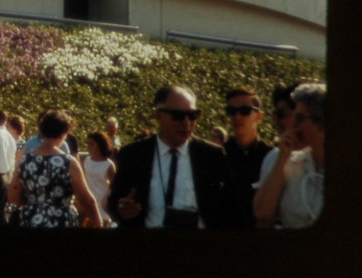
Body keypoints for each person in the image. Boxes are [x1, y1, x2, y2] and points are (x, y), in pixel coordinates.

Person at [107, 85, 241, 228]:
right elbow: (114, 203)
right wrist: (122, 209)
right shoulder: (134, 155)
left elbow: (231, 207)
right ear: (159, 116)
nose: (186, 123)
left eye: (192, 115)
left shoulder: (212, 156)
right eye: (178, 116)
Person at [9, 110, 103, 228]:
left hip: (31, 220)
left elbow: (13, 194)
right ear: (64, 133)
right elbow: (85, 199)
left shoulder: (24, 160)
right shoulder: (68, 162)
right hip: (61, 221)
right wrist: (97, 222)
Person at [253, 82, 326, 228]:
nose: (293, 126)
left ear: (320, 124)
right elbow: (262, 215)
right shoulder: (285, 160)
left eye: (299, 118)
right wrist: (282, 159)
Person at [221, 85, 273, 227]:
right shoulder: (219, 155)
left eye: (245, 111)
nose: (237, 116)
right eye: (232, 111)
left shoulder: (271, 157)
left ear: (259, 116)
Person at [82, 131, 116, 226]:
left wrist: (108, 201)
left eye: (92, 144)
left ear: (100, 145)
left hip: (102, 202)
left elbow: (114, 186)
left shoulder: (108, 165)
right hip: (89, 202)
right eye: (88, 143)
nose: (88, 146)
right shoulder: (86, 160)